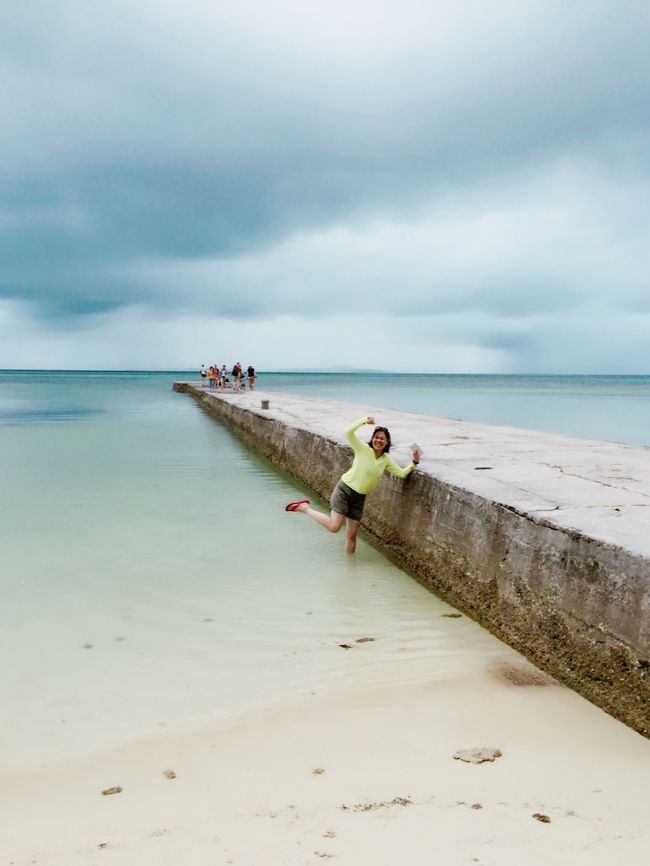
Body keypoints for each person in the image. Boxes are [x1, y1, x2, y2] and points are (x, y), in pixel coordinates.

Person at [285, 416, 421, 554]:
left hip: (359, 498)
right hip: (344, 490)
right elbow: (348, 432)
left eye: (382, 439)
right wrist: (363, 421)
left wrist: (414, 463)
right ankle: (305, 508)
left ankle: (350, 568)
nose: (379, 440)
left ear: (387, 442)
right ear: (372, 439)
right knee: (334, 527)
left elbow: (402, 474)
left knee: (351, 535)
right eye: (376, 437)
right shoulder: (362, 448)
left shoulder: (386, 460)